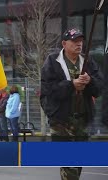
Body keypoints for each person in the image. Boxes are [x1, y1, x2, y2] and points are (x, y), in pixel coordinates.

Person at [40, 28, 103, 180]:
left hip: (82, 120)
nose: (79, 44)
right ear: (64, 43)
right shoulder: (52, 61)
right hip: (61, 121)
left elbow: (99, 88)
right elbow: (49, 90)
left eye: (80, 41)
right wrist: (71, 85)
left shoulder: (87, 61)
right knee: (68, 163)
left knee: (78, 160)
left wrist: (90, 81)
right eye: (74, 41)